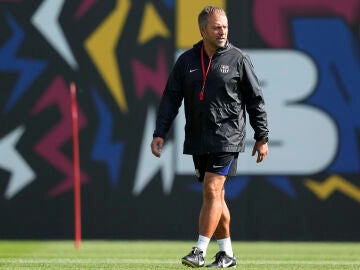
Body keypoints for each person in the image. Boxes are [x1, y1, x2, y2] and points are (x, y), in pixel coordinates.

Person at [150, 5, 269, 268]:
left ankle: (200, 251)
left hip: (228, 137)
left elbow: (255, 100)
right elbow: (171, 98)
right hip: (198, 138)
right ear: (203, 30)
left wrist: (262, 136)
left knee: (212, 189)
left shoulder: (238, 59)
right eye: (217, 27)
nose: (222, 31)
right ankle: (226, 255)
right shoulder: (187, 60)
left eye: (225, 26)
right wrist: (160, 132)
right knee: (216, 197)